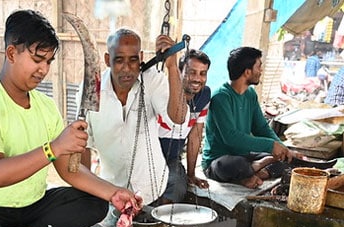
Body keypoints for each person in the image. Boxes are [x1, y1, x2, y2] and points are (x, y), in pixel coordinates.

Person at [0, 10, 141, 227]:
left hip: (34, 209)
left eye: (49, 61)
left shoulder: (46, 106)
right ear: (11, 54)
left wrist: (114, 193)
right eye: (38, 59)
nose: (44, 70)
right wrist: (53, 148)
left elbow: (69, 172)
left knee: (96, 203)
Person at [83, 28, 186, 206]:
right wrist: (84, 194)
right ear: (108, 60)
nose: (127, 69)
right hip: (111, 192)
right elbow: (83, 145)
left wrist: (172, 66)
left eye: (133, 60)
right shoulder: (92, 90)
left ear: (141, 57)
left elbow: (179, 117)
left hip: (151, 190)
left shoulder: (152, 80)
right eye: (119, 60)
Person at [201, 47, 297, 189]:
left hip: (245, 155)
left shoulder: (250, 94)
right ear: (247, 72)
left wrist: (282, 149)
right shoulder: (221, 97)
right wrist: (270, 146)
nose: (261, 71)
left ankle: (257, 172)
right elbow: (231, 138)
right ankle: (255, 169)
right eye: (259, 66)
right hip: (219, 161)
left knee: (287, 160)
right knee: (234, 165)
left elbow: (261, 128)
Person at [156, 49, 211, 203]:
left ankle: (160, 222)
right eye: (191, 72)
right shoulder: (162, 92)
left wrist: (191, 174)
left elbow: (195, 136)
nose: (197, 79)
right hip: (150, 158)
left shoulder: (204, 95)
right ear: (179, 72)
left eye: (202, 73)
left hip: (172, 159)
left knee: (178, 186)